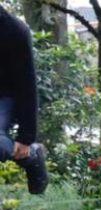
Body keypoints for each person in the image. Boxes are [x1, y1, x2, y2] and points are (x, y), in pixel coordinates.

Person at [0, 6, 49, 196]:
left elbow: (27, 85)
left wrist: (26, 137)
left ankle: (32, 156)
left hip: (4, 96)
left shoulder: (13, 30)